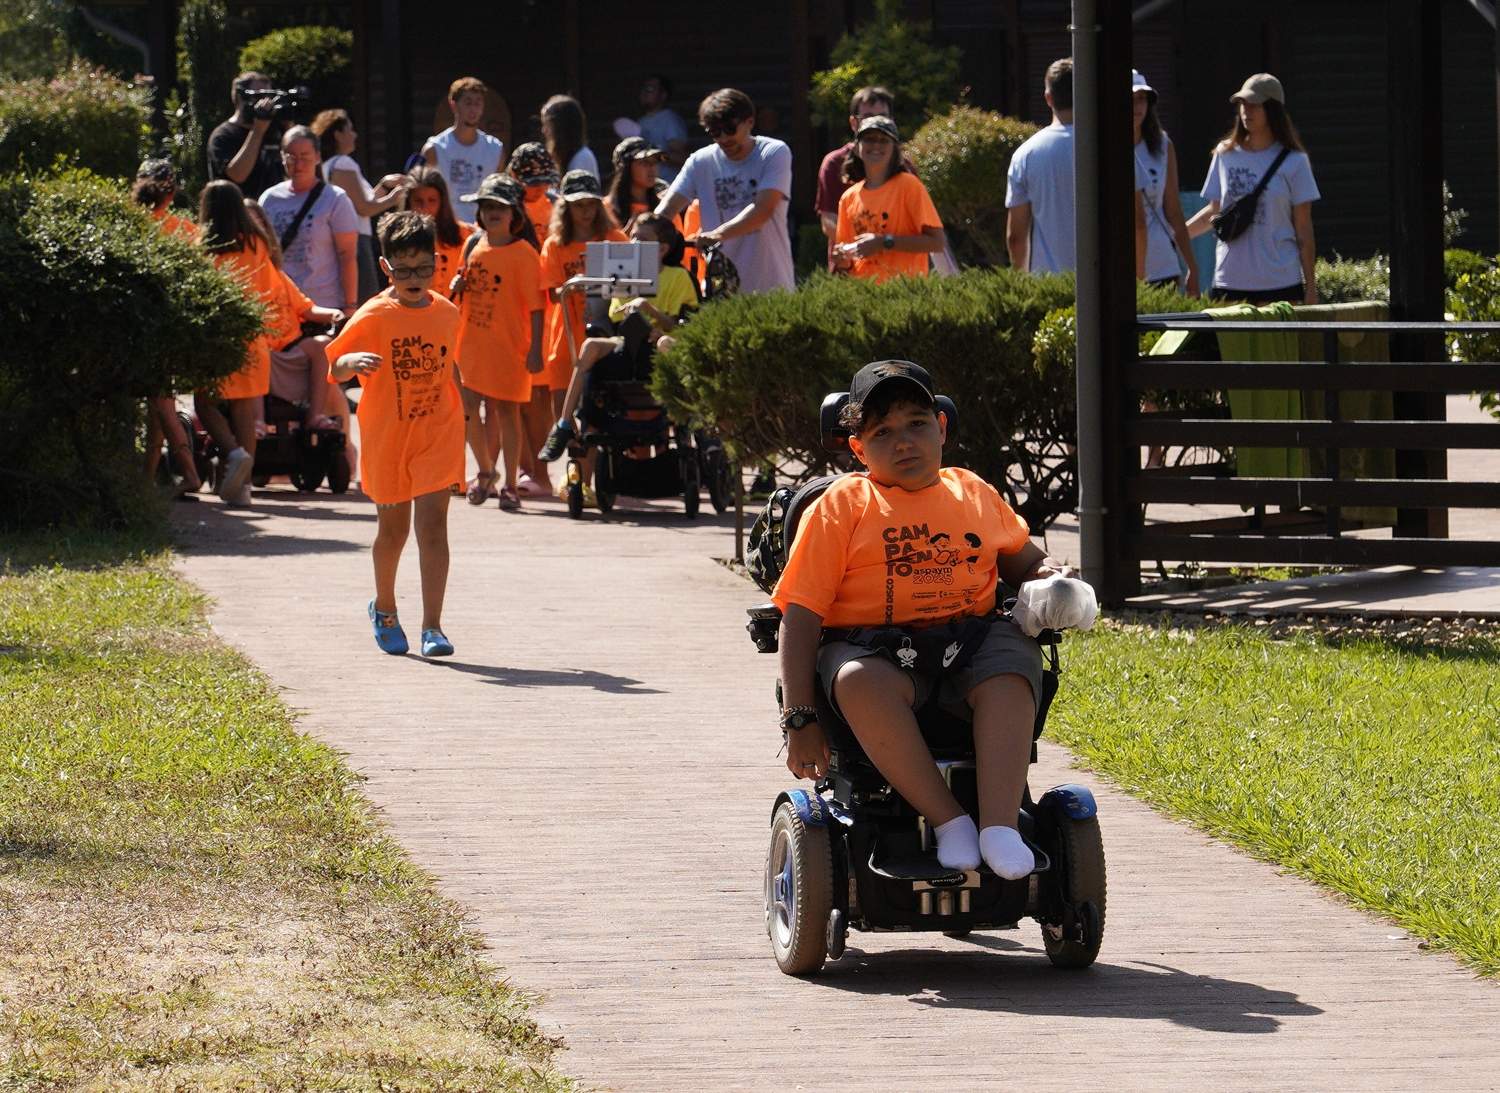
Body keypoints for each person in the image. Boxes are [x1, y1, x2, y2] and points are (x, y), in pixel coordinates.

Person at [771, 360, 1096, 880]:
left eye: (917, 424)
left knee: (1012, 658)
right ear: (858, 448)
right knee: (858, 678)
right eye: (882, 432)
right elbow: (800, 614)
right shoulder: (842, 506)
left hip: (966, 639)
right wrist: (800, 719)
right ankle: (950, 822)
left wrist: (1051, 574)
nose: (904, 442)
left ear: (940, 427)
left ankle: (999, 827)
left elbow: (1022, 559)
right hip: (872, 648)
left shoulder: (971, 492)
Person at [327, 211, 464, 658]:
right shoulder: (374, 314)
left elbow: (451, 371)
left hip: (437, 434)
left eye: (423, 267)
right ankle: (384, 608)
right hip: (388, 435)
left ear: (437, 262)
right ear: (386, 266)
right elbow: (335, 365)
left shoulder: (447, 313)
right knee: (393, 532)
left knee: (434, 529)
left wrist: (468, 428)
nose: (414, 277)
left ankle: (433, 626)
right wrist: (354, 362)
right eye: (403, 269)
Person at [537, 212, 698, 460]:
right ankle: (564, 425)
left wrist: (648, 308)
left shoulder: (677, 277)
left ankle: (691, 413)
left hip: (660, 343)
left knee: (666, 342)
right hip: (627, 343)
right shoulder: (622, 277)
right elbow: (617, 319)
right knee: (590, 345)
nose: (633, 244)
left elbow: (678, 324)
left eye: (642, 240)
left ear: (662, 248)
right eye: (632, 237)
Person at [451, 175, 546, 512]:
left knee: (508, 412)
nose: (492, 213)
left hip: (509, 346)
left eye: (499, 207)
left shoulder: (524, 253)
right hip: (471, 345)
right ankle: (485, 471)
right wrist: (457, 285)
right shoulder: (474, 245)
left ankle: (509, 485)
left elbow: (537, 307)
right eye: (487, 207)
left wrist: (536, 349)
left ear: (513, 213)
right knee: (467, 411)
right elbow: (461, 288)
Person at [1187, 73, 1320, 305]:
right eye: (1242, 104)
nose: (1246, 111)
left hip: (1280, 281)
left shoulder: (1295, 161)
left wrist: (1311, 287)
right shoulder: (1224, 154)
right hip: (1230, 280)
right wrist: (1176, 236)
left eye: (1254, 105)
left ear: (1273, 110)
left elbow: (1303, 227)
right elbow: (1214, 211)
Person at [539, 170, 628, 497]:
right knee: (562, 407)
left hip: (603, 336)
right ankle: (573, 471)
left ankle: (583, 480)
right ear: (566, 207)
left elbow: (633, 286)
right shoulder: (554, 245)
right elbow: (550, 292)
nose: (586, 211)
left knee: (592, 407)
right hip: (566, 336)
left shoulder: (615, 240)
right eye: (578, 205)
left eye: (591, 204)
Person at [657, 87, 795, 295]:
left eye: (730, 128)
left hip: (771, 285)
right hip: (722, 290)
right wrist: (646, 230)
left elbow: (763, 209)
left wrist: (716, 235)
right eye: (714, 132)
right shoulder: (700, 161)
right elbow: (666, 210)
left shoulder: (773, 152)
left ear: (749, 121)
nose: (723, 138)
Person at [194, 179, 279, 507]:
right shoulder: (257, 242)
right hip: (253, 333)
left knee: (204, 401)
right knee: (244, 405)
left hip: (218, 335)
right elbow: (270, 288)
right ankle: (243, 490)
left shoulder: (203, 244)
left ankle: (234, 452)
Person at [243, 200, 347, 435]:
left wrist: (335, 313)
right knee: (254, 344)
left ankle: (315, 416)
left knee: (322, 346)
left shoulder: (277, 274)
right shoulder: (237, 272)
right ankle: (257, 421)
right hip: (259, 351)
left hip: (289, 349)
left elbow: (306, 309)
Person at [134, 158, 201, 493]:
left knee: (160, 402)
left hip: (145, 329)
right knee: (162, 402)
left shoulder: (131, 227)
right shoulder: (186, 231)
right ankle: (148, 476)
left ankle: (187, 474)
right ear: (171, 193)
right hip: (172, 327)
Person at [259, 126, 361, 316]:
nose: (298, 164)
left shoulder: (335, 199)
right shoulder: (269, 199)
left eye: (305, 157)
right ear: (282, 157)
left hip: (324, 305)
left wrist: (350, 306)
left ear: (317, 157)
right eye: (291, 157)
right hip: (281, 305)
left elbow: (347, 256)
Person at [313, 108, 411, 303]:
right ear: (338, 135)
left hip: (338, 238)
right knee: (365, 297)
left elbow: (361, 202)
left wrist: (383, 186)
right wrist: (394, 198)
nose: (355, 134)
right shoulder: (344, 163)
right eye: (350, 129)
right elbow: (363, 209)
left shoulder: (328, 165)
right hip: (357, 241)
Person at [832, 116, 944, 282]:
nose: (876, 145)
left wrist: (884, 242)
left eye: (884, 140)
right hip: (863, 297)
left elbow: (936, 242)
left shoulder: (909, 186)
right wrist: (842, 261)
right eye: (869, 139)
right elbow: (847, 264)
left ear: (895, 149)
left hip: (904, 296)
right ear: (856, 148)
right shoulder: (848, 198)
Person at [1006, 58, 1077, 273]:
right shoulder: (1111, 148)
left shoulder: (1026, 154)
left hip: (1047, 284)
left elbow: (1016, 237)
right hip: (1104, 286)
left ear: (1048, 98)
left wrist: (1020, 286)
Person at [1133, 70, 1199, 295]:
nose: (1137, 106)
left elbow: (1173, 210)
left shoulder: (1162, 145)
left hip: (1162, 265)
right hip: (1121, 268)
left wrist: (1192, 267)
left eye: (1142, 98)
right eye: (1131, 99)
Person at [815, 86, 896, 250]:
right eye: (868, 117)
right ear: (854, 123)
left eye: (882, 117)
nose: (875, 123)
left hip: (897, 267)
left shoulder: (903, 165)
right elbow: (829, 220)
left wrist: (885, 244)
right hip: (849, 266)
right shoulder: (834, 163)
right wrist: (859, 248)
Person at [422, 77, 505, 225]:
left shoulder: (495, 149)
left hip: (483, 228)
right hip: (447, 228)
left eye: (478, 103)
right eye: (468, 103)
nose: (473, 109)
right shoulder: (435, 149)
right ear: (454, 105)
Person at [207, 71, 285, 200]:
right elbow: (237, 175)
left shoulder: (273, 130)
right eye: (258, 96)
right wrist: (257, 131)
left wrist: (288, 124)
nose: (264, 103)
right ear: (239, 98)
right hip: (238, 214)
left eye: (268, 97)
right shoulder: (222, 135)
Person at [405, 165, 474, 301]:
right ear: (408, 203)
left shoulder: (466, 234)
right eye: (418, 201)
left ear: (442, 202)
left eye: (432, 201)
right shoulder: (400, 239)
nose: (425, 208)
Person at [636, 73, 689, 183]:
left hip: (667, 187)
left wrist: (657, 156)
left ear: (663, 95)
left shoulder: (670, 119)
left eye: (650, 89)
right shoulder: (640, 122)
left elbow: (682, 158)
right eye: (643, 88)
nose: (645, 92)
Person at [605, 136, 665, 227]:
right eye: (645, 162)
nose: (652, 168)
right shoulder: (605, 209)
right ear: (625, 168)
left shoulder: (665, 208)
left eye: (655, 162)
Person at [508, 141, 559, 241]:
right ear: (515, 176)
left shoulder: (556, 204)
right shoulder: (505, 207)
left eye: (546, 182)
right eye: (534, 183)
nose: (541, 188)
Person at [541, 94, 599, 180]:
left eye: (548, 124)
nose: (544, 130)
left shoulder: (582, 157)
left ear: (561, 126)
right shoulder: (562, 158)